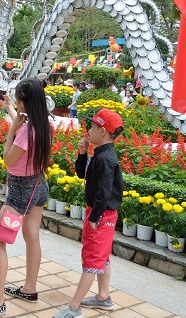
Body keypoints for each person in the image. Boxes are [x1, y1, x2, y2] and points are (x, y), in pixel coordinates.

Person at [0, 78, 51, 317]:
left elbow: (8, 159)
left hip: (19, 193)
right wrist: (10, 110)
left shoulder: (24, 131)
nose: (15, 100)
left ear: (24, 101)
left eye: (16, 98)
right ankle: (30, 289)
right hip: (38, 186)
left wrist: (12, 130)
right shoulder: (43, 124)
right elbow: (25, 127)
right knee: (32, 237)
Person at [52, 109, 124, 318]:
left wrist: (94, 218)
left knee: (92, 260)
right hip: (102, 214)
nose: (88, 130)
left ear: (102, 131)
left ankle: (74, 307)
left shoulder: (105, 159)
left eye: (91, 126)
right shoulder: (100, 153)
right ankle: (103, 297)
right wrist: (82, 152)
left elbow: (105, 192)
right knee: (102, 258)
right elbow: (81, 174)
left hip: (101, 216)